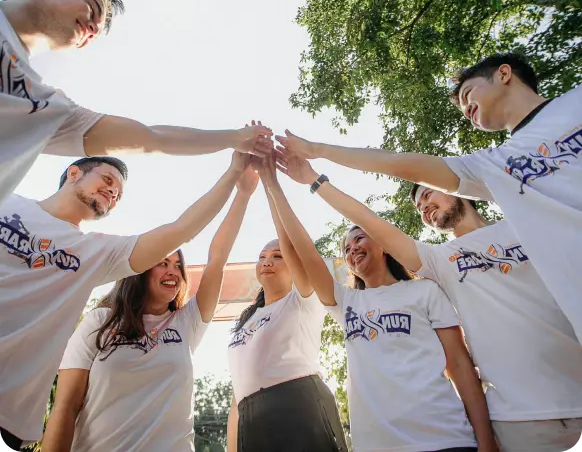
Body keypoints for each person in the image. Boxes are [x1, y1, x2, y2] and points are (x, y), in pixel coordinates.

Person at [275, 52, 582, 341]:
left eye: (467, 96)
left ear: (503, 74)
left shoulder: (574, 103)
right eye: (418, 206)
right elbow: (396, 167)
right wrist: (317, 162)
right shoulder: (491, 168)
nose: (466, 111)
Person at [0, 152, 249, 450]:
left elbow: (215, 257)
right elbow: (65, 406)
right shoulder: (100, 321)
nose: (172, 269)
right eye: (162, 262)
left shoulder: (187, 322)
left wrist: (242, 192)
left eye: (177, 265)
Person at [0, 0, 272, 206]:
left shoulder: (48, 108)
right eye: (92, 9)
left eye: (94, 34)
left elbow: (152, 138)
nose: (92, 29)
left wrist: (236, 138)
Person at [265, 155, 497, 452]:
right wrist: (272, 186)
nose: (353, 249)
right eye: (346, 249)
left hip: (445, 440)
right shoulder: (345, 302)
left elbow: (460, 367)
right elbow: (304, 252)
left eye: (360, 239)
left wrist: (486, 439)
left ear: (383, 245)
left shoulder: (425, 291)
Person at [226, 156, 348, 452]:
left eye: (277, 256)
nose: (268, 260)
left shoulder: (303, 299)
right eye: (262, 256)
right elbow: (236, 397)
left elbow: (292, 243)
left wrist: (270, 181)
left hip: (298, 406)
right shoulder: (246, 320)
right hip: (251, 418)